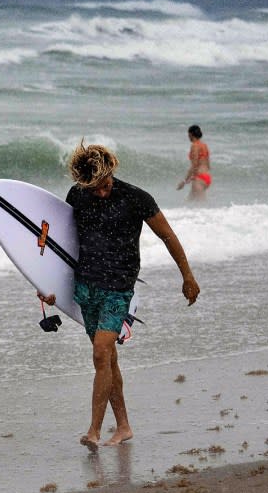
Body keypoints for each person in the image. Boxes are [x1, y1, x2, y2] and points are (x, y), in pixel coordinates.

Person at [38, 142, 199, 451]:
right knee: (108, 359)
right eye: (94, 188)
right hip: (86, 286)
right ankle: (124, 426)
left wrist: (187, 275)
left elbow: (167, 236)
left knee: (100, 353)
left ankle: (94, 431)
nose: (100, 192)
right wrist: (45, 283)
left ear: (111, 171)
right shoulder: (78, 195)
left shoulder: (136, 198)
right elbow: (61, 244)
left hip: (119, 287)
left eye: (105, 185)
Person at [177, 125, 211, 201]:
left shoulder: (195, 146)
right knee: (190, 203)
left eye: (188, 134)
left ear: (191, 134)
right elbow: (208, 165)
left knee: (200, 206)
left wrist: (184, 181)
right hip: (207, 178)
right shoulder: (204, 146)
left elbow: (194, 165)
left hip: (199, 179)